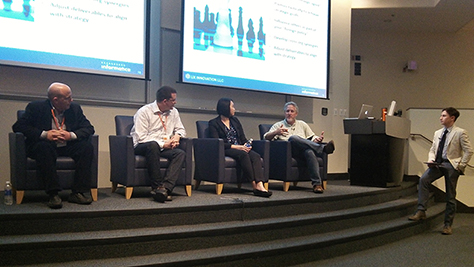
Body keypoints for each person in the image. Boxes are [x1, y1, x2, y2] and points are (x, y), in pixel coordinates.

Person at [12, 82, 95, 209]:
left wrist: (71, 135)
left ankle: (78, 192)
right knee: (44, 147)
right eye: (67, 98)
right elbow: (18, 126)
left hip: (66, 145)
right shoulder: (36, 107)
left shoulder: (75, 108)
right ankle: (53, 194)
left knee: (86, 148)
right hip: (44, 145)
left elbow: (89, 128)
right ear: (55, 100)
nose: (71, 100)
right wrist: (45, 134)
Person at [408, 107, 473, 235]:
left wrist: (461, 166)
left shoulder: (460, 132)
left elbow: (468, 150)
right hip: (437, 164)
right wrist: (431, 160)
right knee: (424, 180)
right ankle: (421, 210)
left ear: (452, 118)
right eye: (441, 115)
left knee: (450, 195)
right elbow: (433, 149)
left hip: (451, 165)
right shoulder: (438, 133)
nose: (440, 118)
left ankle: (447, 225)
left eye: (443, 115)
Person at [263, 101, 335, 194]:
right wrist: (276, 132)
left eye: (292, 111)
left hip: (302, 151)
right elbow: (265, 137)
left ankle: (317, 184)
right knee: (293, 138)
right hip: (288, 152)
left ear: (296, 114)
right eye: (287, 111)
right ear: (284, 113)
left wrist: (317, 139)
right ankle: (321, 149)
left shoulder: (302, 124)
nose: (289, 113)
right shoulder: (278, 125)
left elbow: (311, 137)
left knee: (309, 152)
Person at [131, 86, 186, 203]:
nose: (175, 103)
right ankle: (157, 187)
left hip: (164, 145)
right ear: (165, 101)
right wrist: (163, 144)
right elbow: (141, 137)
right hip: (143, 145)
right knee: (153, 145)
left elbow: (181, 129)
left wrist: (177, 136)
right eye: (173, 100)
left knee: (180, 153)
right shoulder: (144, 112)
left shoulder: (174, 112)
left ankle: (165, 189)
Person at [208, 98, 272, 198]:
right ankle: (253, 185)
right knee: (243, 155)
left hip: (241, 147)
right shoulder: (213, 123)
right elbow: (217, 142)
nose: (234, 109)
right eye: (232, 106)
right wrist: (237, 147)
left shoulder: (235, 121)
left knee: (255, 156)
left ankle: (260, 184)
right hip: (227, 149)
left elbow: (242, 137)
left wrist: (246, 145)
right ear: (225, 108)